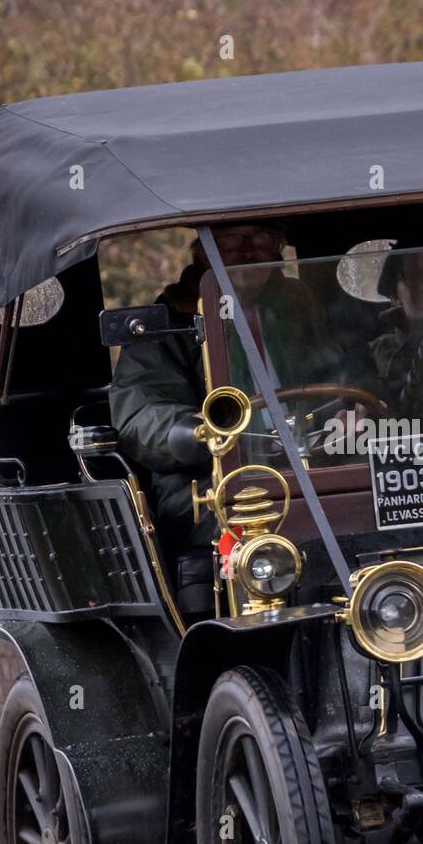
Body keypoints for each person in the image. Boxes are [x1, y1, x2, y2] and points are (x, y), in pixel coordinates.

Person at [109, 223, 325, 612]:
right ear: (201, 255)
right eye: (231, 240)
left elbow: (344, 370)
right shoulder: (168, 321)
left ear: (277, 251)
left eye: (260, 239)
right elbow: (141, 414)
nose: (247, 251)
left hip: (315, 469)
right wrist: (200, 432)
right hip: (208, 487)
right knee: (277, 522)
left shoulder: (303, 308)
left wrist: (350, 410)